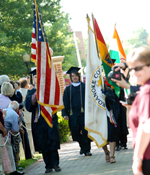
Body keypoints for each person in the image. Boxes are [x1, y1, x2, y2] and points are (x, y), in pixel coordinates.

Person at [25, 69, 61, 173]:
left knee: (52, 141)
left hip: (50, 119)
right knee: (43, 143)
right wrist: (35, 96)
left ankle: (55, 164)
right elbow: (28, 107)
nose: (36, 78)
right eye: (35, 77)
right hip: (39, 120)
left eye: (38, 76)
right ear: (33, 79)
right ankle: (48, 166)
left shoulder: (49, 89)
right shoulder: (31, 91)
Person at [126, 46, 150, 175]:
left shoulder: (147, 90)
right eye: (131, 69)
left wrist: (137, 159)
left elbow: (147, 127)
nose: (133, 73)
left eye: (138, 68)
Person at [62, 67, 92, 156]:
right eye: (72, 76)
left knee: (85, 131)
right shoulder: (68, 89)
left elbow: (89, 99)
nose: (74, 77)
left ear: (78, 76)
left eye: (76, 75)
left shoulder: (84, 86)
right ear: (71, 77)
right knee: (75, 132)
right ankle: (82, 146)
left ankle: (87, 150)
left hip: (84, 113)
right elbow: (65, 102)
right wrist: (65, 114)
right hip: (73, 114)